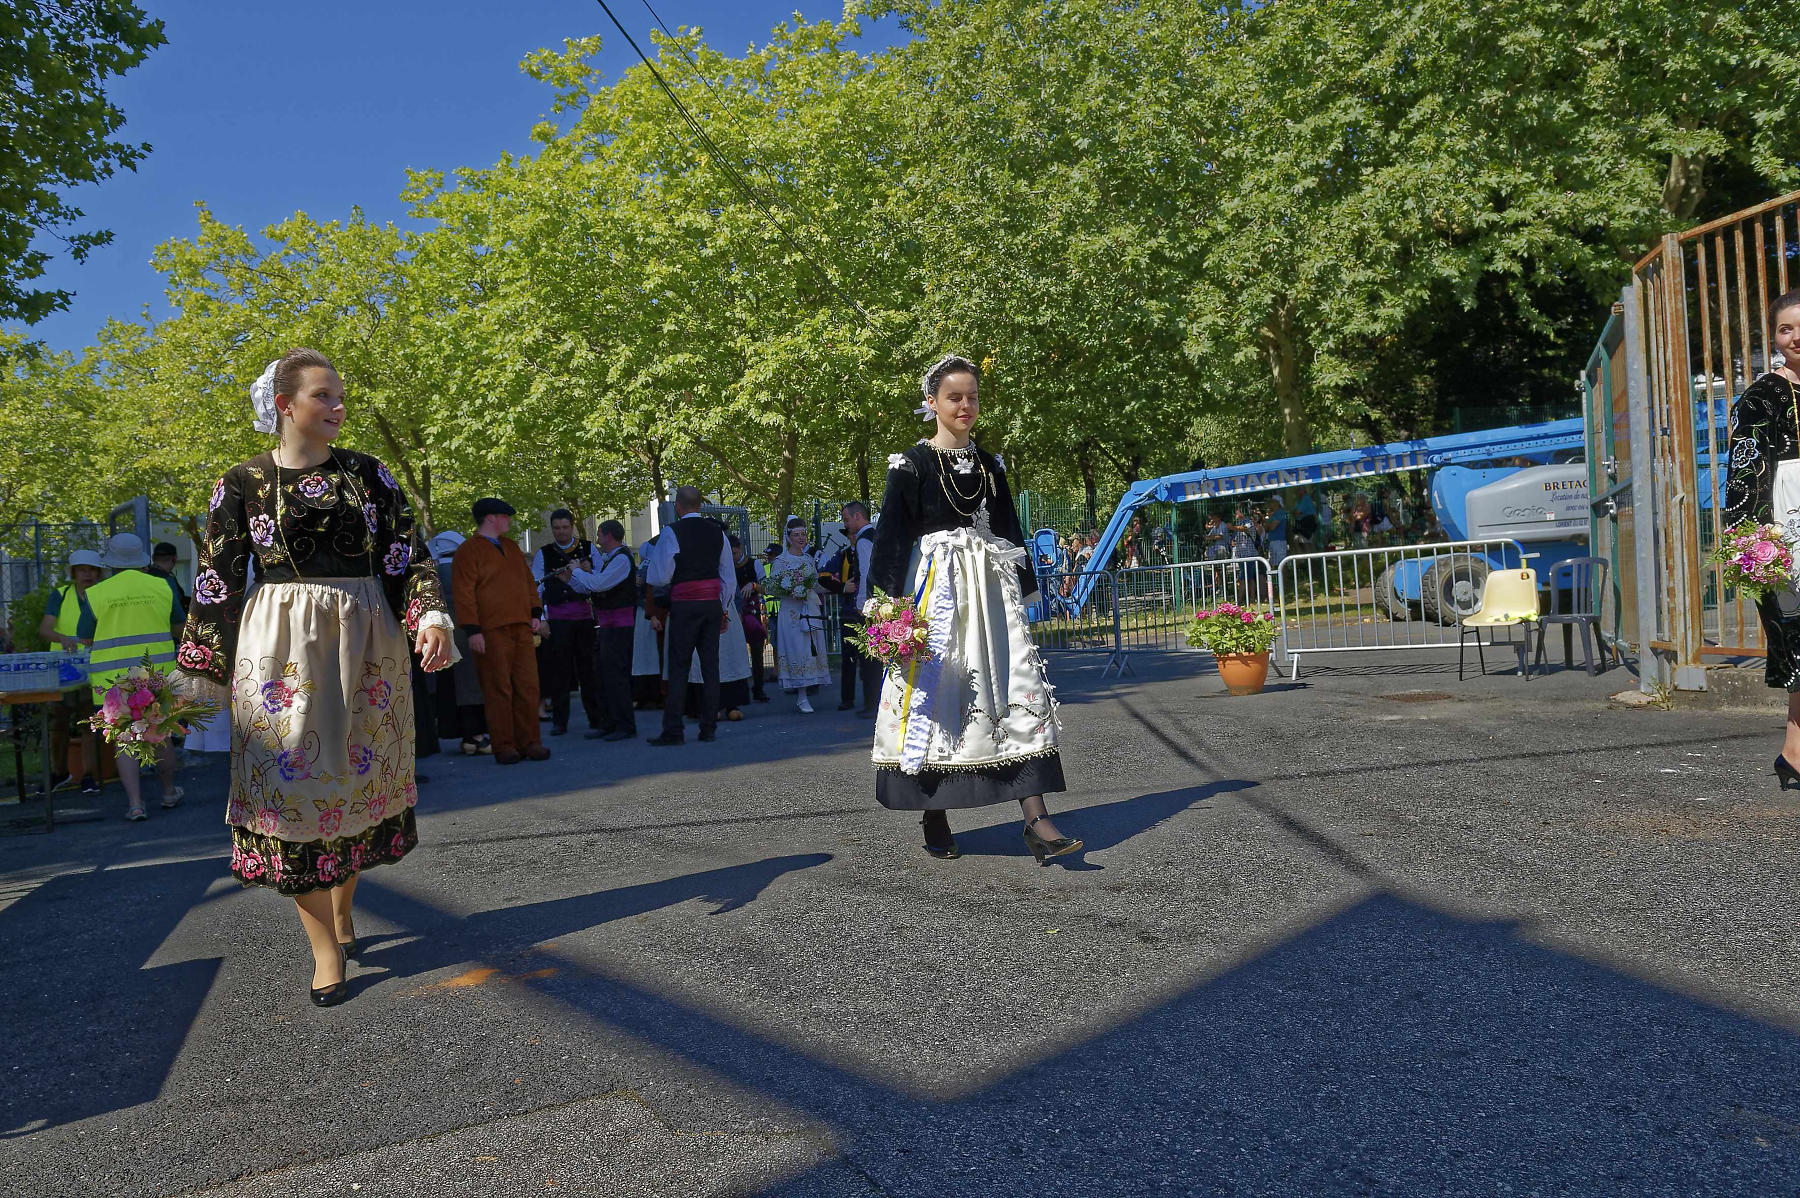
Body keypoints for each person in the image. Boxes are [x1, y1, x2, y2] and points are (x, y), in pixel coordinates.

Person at [173, 348, 453, 1006]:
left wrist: (429, 616)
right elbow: (216, 579)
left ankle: (344, 909)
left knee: (356, 781)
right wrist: (195, 676)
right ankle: (325, 948)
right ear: (285, 405)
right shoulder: (242, 482)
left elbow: (406, 553)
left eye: (340, 396)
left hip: (367, 640)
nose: (338, 407)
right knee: (292, 791)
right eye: (324, 395)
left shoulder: (369, 475)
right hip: (280, 647)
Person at [869, 355, 1080, 864]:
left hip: (989, 595)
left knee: (1011, 690)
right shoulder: (911, 465)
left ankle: (1037, 819)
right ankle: (934, 812)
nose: (965, 406)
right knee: (937, 694)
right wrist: (888, 608)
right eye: (954, 397)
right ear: (932, 403)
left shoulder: (989, 464)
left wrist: (1026, 595)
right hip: (934, 593)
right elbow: (893, 539)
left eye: (972, 397)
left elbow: (1007, 527)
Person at [1723, 289, 1800, 789]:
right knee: (1797, 636)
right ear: (1773, 338)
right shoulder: (1761, 397)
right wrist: (1751, 543)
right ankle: (1794, 749)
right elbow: (1745, 471)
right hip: (1789, 525)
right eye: (1785, 329)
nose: (1796, 338)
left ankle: (1793, 752)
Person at [85, 533, 183, 820]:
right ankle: (167, 792)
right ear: (142, 559)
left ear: (111, 562)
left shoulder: (97, 592)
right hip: (158, 675)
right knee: (161, 733)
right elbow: (179, 625)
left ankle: (136, 804)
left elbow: (84, 635)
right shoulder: (162, 586)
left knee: (124, 737)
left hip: (112, 680)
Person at [452, 498, 548, 765]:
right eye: (505, 516)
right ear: (491, 518)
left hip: (520, 627)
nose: (509, 520)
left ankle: (531, 741)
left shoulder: (512, 548)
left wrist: (534, 612)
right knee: (498, 689)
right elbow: (464, 593)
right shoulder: (468, 552)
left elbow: (528, 582)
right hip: (491, 630)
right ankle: (504, 744)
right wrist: (473, 630)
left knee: (528, 687)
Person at [643, 486, 736, 745]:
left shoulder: (672, 532)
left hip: (684, 606)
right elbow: (728, 577)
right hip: (710, 605)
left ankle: (674, 730)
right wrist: (724, 608)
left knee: (678, 666)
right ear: (700, 505)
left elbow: (660, 576)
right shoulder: (718, 532)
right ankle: (709, 728)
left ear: (678, 507)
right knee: (710, 666)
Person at [531, 509, 602, 737]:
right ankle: (560, 721)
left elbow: (600, 580)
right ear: (552, 529)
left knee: (588, 671)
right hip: (558, 619)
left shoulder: (589, 549)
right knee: (559, 672)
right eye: (557, 528)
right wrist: (541, 619)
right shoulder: (544, 553)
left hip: (584, 618)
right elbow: (536, 589)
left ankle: (595, 717)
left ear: (572, 527)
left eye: (565, 527)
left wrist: (582, 573)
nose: (561, 532)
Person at [40, 549, 103, 794]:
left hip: (94, 667)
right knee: (58, 723)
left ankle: (88, 776)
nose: (87, 574)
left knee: (90, 722)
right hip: (64, 670)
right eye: (82, 569)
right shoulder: (60, 595)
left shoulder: (103, 594)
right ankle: (59, 773)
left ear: (98, 572)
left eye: (92, 569)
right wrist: (63, 638)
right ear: (74, 573)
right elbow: (45, 629)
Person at [569, 519, 637, 741]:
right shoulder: (611, 561)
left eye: (599, 534)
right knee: (601, 675)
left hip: (619, 627)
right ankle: (608, 722)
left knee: (616, 676)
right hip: (607, 626)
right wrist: (571, 578)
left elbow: (599, 584)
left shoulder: (621, 560)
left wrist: (578, 571)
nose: (597, 539)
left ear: (609, 536)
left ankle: (624, 725)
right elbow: (593, 585)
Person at [428, 530, 490, 755]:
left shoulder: (433, 573)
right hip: (468, 634)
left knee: (450, 690)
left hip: (443, 638)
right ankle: (476, 736)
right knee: (472, 689)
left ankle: (467, 738)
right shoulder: (465, 570)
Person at [768, 517, 832, 712]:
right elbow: (773, 587)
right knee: (797, 649)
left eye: (803, 534)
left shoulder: (808, 559)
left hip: (809, 608)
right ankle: (802, 696)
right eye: (796, 534)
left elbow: (814, 584)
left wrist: (835, 586)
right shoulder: (781, 561)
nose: (801, 538)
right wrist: (791, 590)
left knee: (811, 649)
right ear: (788, 537)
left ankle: (809, 689)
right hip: (791, 613)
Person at [836, 501, 881, 716]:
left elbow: (866, 574)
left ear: (858, 517)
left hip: (868, 606)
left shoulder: (863, 540)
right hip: (879, 601)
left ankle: (872, 704)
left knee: (869, 658)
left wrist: (862, 604)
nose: (846, 524)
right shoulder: (875, 535)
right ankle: (875, 701)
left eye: (846, 519)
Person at [734, 535, 771, 703]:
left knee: (757, 652)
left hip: (752, 612)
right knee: (735, 652)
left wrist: (753, 585)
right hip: (734, 611)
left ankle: (758, 688)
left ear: (740, 548)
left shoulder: (754, 564)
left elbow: (767, 588)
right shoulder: (725, 565)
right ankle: (738, 691)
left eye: (734, 553)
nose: (732, 557)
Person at [149, 541, 190, 613]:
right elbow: (176, 608)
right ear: (174, 559)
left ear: (153, 558)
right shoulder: (168, 580)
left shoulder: (144, 576)